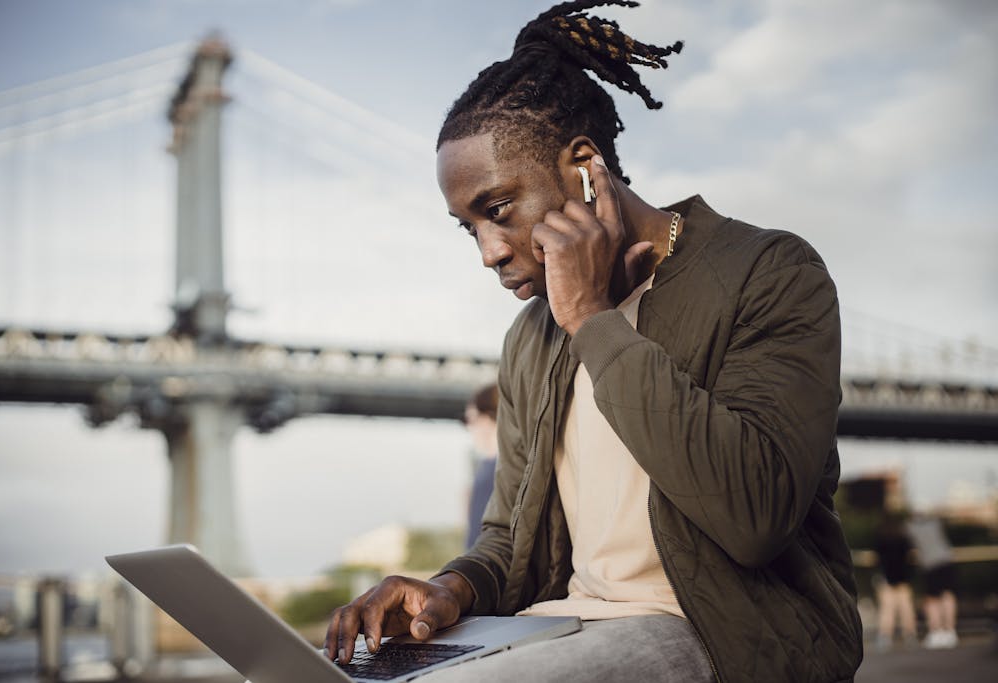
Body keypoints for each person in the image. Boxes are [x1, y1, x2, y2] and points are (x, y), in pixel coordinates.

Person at [325, 2, 863, 681]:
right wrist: (451, 588)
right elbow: (507, 539)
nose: (489, 252)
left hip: (719, 635)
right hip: (564, 625)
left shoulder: (768, 272)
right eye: (469, 229)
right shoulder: (530, 337)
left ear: (584, 167)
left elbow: (756, 513)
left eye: (497, 211)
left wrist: (592, 319)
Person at [906, 513, 959, 649]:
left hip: (930, 564)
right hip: (946, 560)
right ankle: (950, 631)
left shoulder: (909, 527)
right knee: (948, 596)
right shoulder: (936, 522)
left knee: (932, 600)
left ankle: (936, 632)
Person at [872, 511, 917, 651]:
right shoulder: (904, 537)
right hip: (903, 577)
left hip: (887, 577)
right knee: (906, 608)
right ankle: (910, 636)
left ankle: (885, 637)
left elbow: (877, 558)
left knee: (887, 610)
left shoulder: (880, 537)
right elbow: (911, 556)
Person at [462, 384, 500, 550]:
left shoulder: (493, 471)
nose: (468, 427)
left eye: (469, 419)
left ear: (487, 417)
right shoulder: (486, 468)